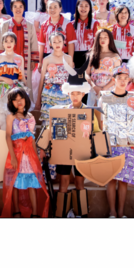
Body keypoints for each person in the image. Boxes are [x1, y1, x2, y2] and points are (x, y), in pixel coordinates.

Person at [52, 64, 100, 218]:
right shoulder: (62, 111)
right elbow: (54, 132)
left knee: (80, 182)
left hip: (82, 152)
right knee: (64, 181)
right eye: (72, 93)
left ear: (83, 94)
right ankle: (61, 214)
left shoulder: (89, 112)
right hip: (65, 152)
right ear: (68, 93)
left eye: (78, 93)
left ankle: (82, 214)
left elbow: (97, 132)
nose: (75, 96)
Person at [99, 64, 134, 218]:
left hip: (127, 144)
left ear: (129, 79)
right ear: (114, 79)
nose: (123, 81)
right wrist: (104, 143)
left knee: (124, 180)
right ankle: (112, 212)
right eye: (119, 78)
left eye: (125, 78)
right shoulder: (105, 98)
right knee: (111, 179)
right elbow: (101, 122)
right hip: (110, 144)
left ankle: (121, 213)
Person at [1, 88, 49, 218]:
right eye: (15, 100)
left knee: (32, 183)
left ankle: (35, 213)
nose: (19, 102)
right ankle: (16, 211)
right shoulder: (11, 117)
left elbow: (32, 139)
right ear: (11, 103)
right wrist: (13, 157)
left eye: (21, 98)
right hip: (17, 154)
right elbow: (8, 136)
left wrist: (36, 157)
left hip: (30, 155)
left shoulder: (30, 117)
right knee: (15, 183)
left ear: (26, 99)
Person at [0, 0, 38, 96]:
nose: (18, 9)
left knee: (25, 85)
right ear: (11, 8)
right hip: (8, 61)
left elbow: (33, 42)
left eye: (20, 6)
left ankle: (25, 103)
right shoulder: (5, 25)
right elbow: (0, 43)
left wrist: (33, 60)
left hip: (25, 60)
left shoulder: (30, 25)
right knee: (9, 83)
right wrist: (0, 60)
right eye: (15, 6)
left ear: (24, 8)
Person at [35, 33, 73, 126]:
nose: (57, 44)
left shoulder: (68, 58)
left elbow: (71, 80)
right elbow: (42, 79)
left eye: (59, 41)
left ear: (64, 42)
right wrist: (38, 99)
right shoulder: (47, 59)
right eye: (54, 42)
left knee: (64, 121)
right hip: (49, 94)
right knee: (49, 122)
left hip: (65, 94)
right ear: (50, 43)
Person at [0, 32, 26, 130]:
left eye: (11, 41)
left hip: (15, 90)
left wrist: (25, 91)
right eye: (6, 41)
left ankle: (13, 138)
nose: (8, 43)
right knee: (0, 116)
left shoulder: (19, 58)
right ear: (2, 43)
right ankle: (1, 137)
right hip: (1, 90)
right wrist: (3, 79)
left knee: (14, 116)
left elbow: (22, 77)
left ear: (15, 43)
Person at [85, 29, 121, 107]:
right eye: (100, 37)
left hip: (110, 90)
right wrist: (94, 87)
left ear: (110, 39)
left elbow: (118, 75)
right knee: (94, 112)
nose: (102, 39)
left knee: (107, 111)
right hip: (94, 90)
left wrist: (104, 88)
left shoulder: (115, 56)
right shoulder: (91, 55)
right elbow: (86, 74)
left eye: (105, 37)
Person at [38, 0, 76, 70]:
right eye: (50, 7)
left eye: (55, 7)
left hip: (63, 57)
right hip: (48, 57)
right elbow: (41, 45)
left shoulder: (67, 24)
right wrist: (40, 61)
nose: (52, 10)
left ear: (60, 9)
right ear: (47, 9)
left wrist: (70, 61)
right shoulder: (44, 25)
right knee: (48, 77)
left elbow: (71, 44)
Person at [72, 0, 99, 69]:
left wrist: (93, 55)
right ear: (77, 7)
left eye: (86, 6)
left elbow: (96, 42)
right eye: (81, 6)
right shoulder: (71, 24)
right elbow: (70, 44)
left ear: (90, 8)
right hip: (75, 56)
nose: (83, 8)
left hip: (90, 55)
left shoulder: (95, 23)